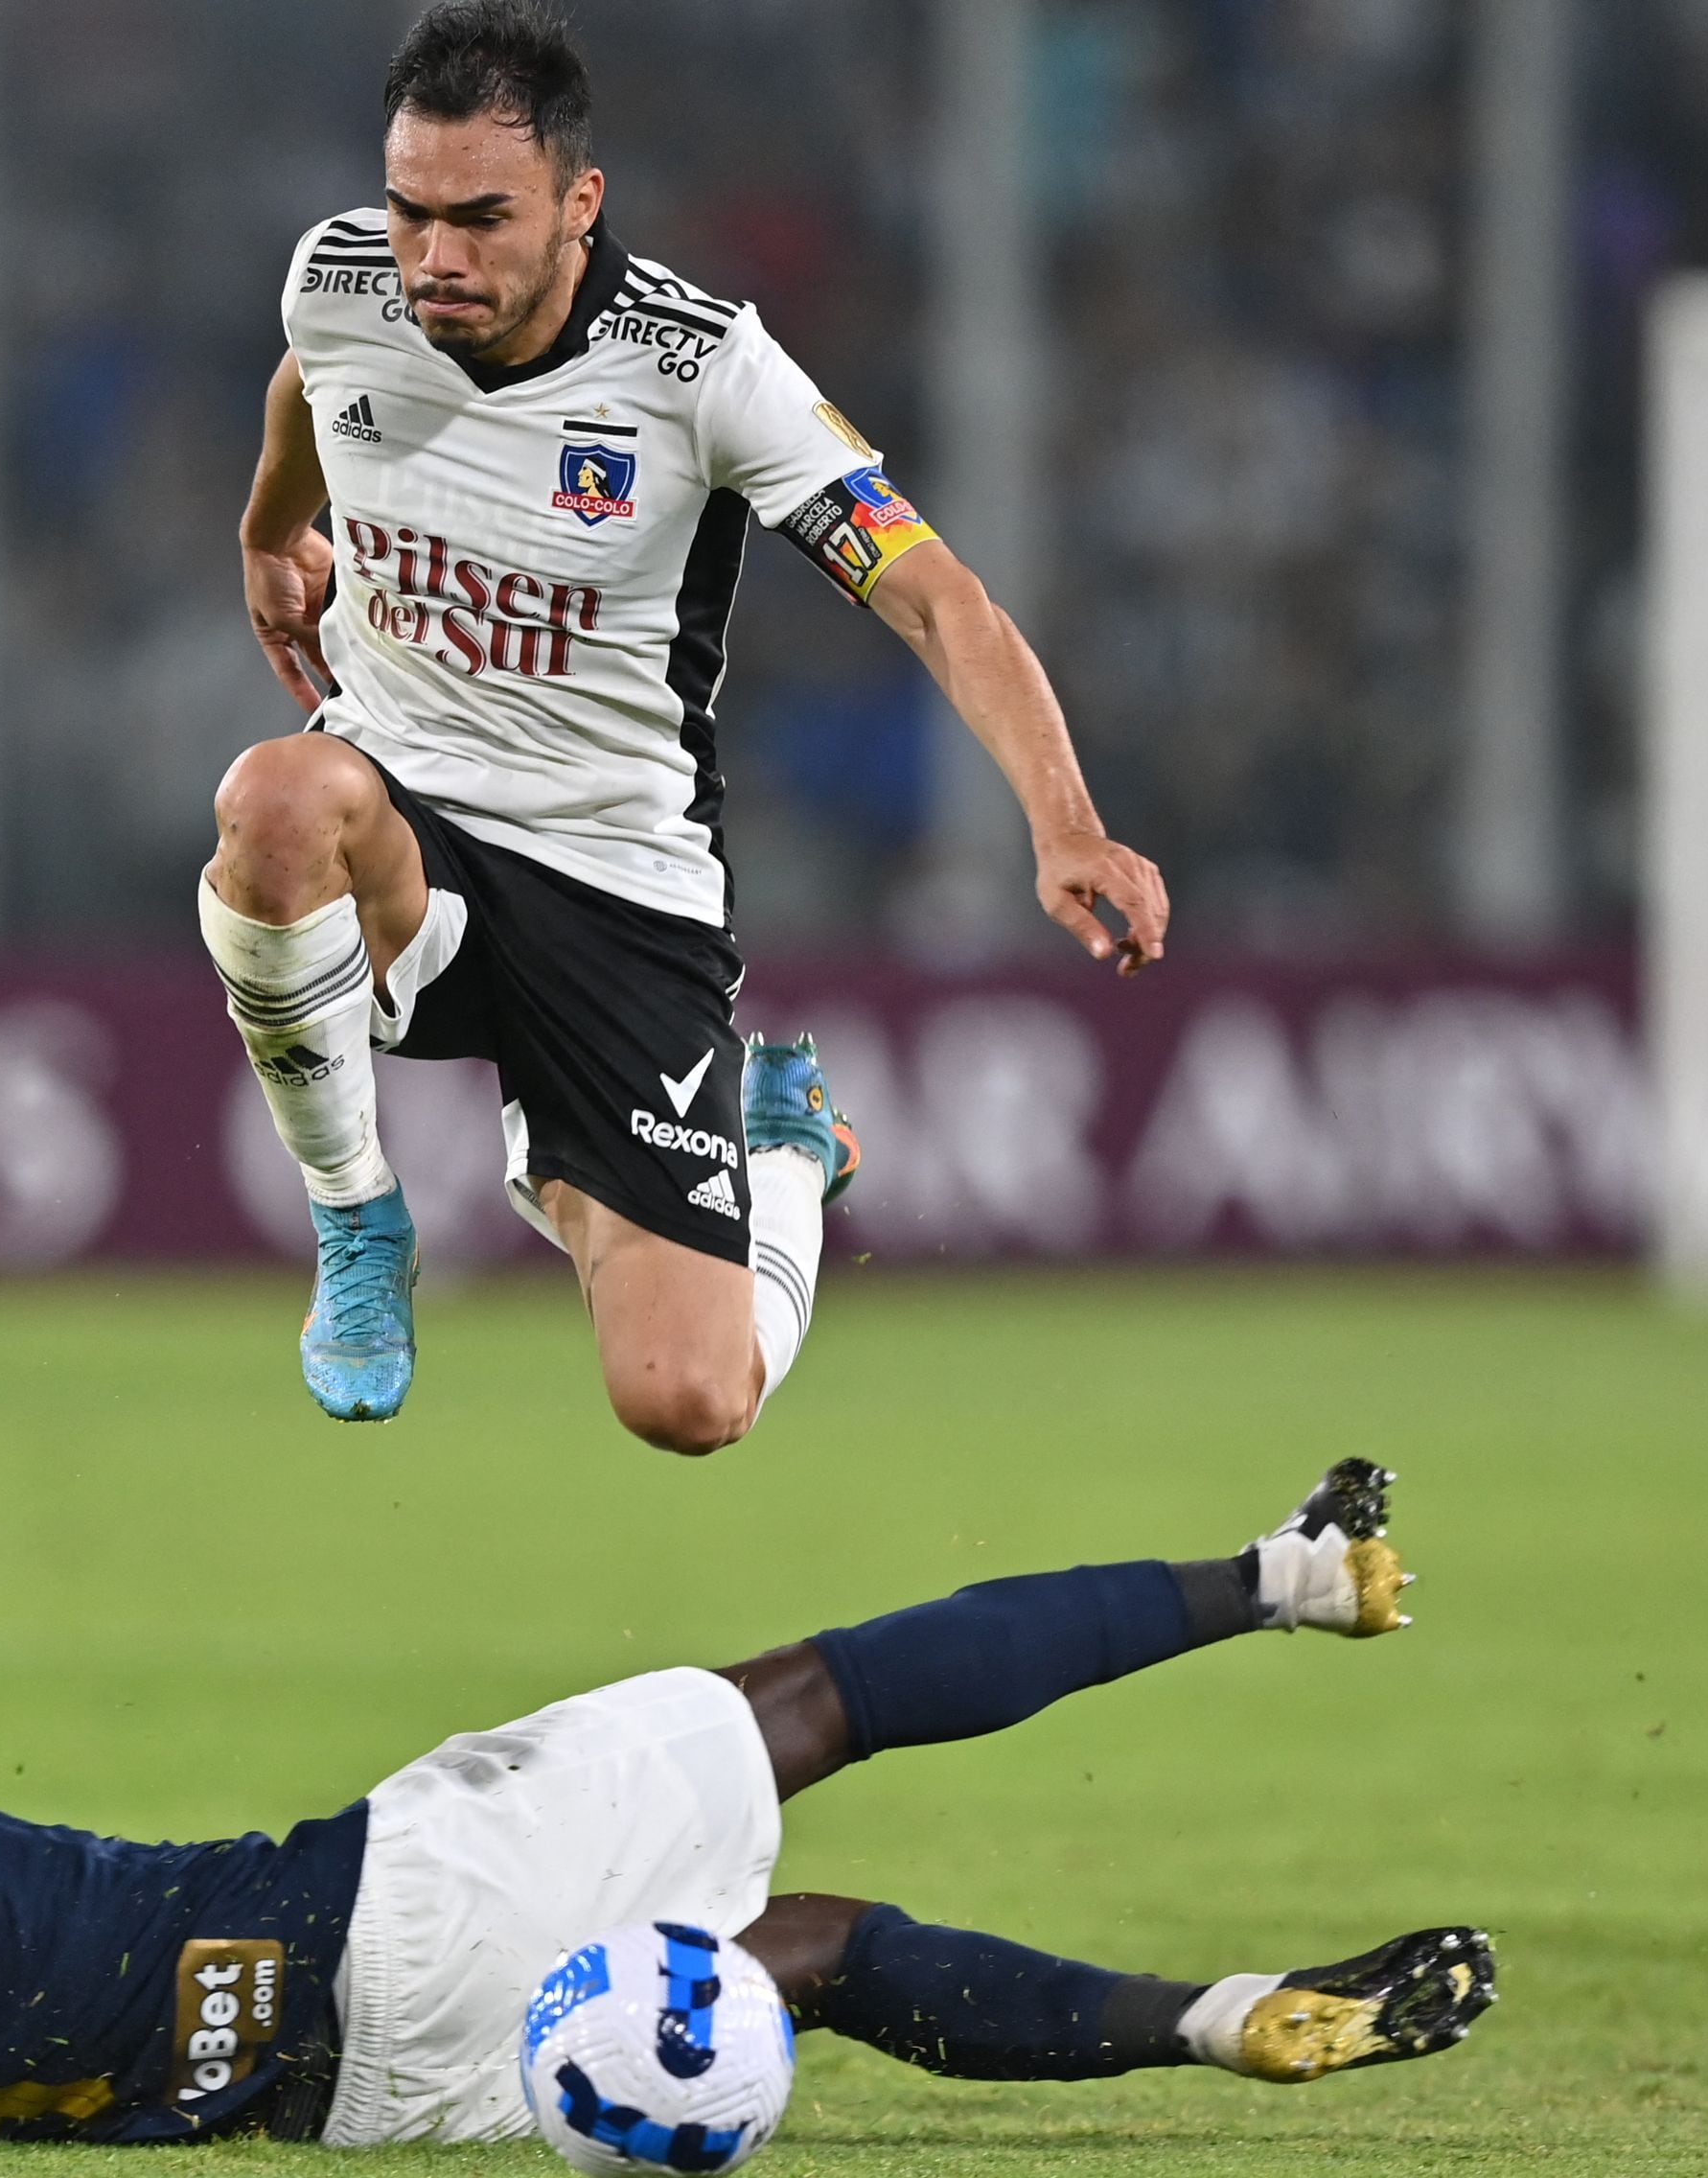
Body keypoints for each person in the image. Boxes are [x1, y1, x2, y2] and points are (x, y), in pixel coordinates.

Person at [0, 1318, 1492, 2145]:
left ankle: (1229, 2019)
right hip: (384, 1905)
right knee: (811, 1704)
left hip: (374, 2105)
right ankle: (1286, 1579)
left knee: (819, 1957)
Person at [203, 2, 1167, 1443]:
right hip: (407, 820)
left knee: (690, 1401)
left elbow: (936, 597)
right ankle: (360, 1229)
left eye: (483, 218)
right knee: (277, 801)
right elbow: (309, 378)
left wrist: (1064, 819)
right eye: (411, 211)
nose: (436, 257)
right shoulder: (345, 280)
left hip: (616, 890)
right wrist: (273, 526)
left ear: (580, 204)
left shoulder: (703, 368)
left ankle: (781, 1154)